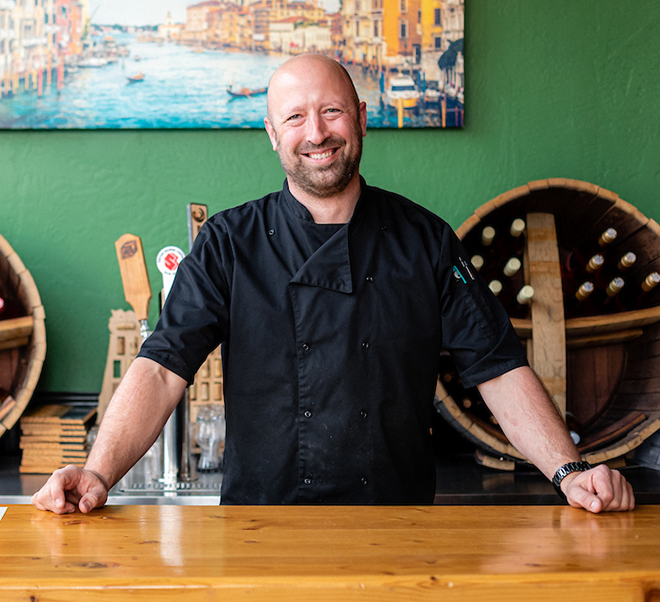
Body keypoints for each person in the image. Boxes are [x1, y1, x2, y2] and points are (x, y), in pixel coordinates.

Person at [33, 54, 634, 514]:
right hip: (259, 530)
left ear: (362, 121)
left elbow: (497, 367)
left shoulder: (426, 241)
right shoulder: (226, 243)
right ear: (273, 135)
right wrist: (99, 472)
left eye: (331, 111)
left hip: (397, 530)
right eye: (295, 117)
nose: (315, 132)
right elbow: (162, 367)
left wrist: (569, 472)